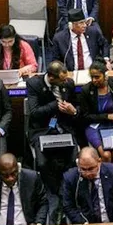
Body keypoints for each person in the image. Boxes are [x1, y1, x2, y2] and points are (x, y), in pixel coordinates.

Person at [26, 60, 79, 204]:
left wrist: (73, 111)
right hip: (42, 129)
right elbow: (34, 112)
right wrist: (55, 105)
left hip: (64, 127)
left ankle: (66, 185)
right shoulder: (34, 84)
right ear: (51, 77)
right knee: (42, 163)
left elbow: (78, 106)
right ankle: (56, 190)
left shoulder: (68, 83)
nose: (65, 82)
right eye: (62, 80)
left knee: (74, 159)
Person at [76, 58, 113, 162]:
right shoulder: (86, 90)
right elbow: (85, 116)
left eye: (97, 77)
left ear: (105, 75)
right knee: (106, 154)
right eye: (92, 77)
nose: (94, 80)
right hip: (96, 125)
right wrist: (107, 116)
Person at [60, 146, 113, 224]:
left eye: (91, 169)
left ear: (99, 162)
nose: (87, 173)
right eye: (83, 169)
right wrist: (84, 223)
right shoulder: (71, 178)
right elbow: (69, 206)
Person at [0, 153, 48, 225]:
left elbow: (43, 203)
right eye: (5, 175)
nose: (10, 178)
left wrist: (38, 222)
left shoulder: (32, 178)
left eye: (13, 173)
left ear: (18, 168)